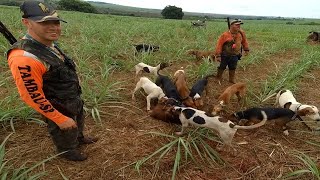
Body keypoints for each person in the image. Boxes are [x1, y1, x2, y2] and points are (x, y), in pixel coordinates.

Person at [7, 1, 98, 161]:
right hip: (57, 105)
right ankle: (68, 151)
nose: (53, 27)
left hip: (72, 99)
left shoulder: (48, 44)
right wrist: (59, 118)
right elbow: (31, 96)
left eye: (56, 22)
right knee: (64, 128)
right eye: (44, 22)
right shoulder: (24, 58)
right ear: (26, 22)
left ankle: (79, 138)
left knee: (77, 121)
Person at [214, 19, 249, 83]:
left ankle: (231, 79)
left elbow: (244, 42)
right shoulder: (225, 35)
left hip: (235, 55)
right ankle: (218, 78)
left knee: (233, 67)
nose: (239, 26)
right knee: (222, 66)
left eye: (239, 25)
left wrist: (246, 49)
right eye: (237, 25)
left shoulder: (241, 34)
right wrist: (218, 55)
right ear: (231, 25)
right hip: (225, 55)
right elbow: (219, 45)